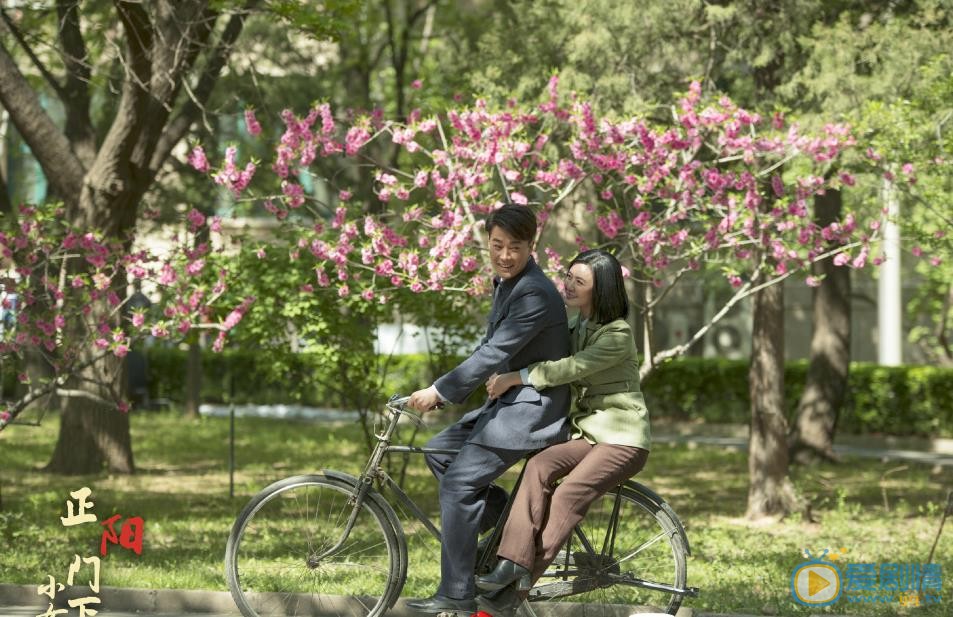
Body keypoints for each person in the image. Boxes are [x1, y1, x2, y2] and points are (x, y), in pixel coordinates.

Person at [405, 203, 572, 615]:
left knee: (459, 485)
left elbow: (496, 351)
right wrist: (443, 388)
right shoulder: (506, 283)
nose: (504, 255)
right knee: (439, 452)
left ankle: (457, 594)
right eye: (496, 245)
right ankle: (507, 538)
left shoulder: (533, 289)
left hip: (532, 412)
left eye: (514, 247)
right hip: (507, 404)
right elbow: (489, 350)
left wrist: (440, 392)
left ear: (531, 246)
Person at [475, 249, 651, 609]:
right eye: (568, 276)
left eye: (579, 281)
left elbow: (571, 367)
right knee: (539, 465)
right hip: (589, 433)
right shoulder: (577, 325)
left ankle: (511, 595)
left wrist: (516, 378)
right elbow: (546, 351)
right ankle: (510, 562)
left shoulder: (617, 334)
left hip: (623, 440)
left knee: (568, 495)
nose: (567, 285)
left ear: (600, 291)